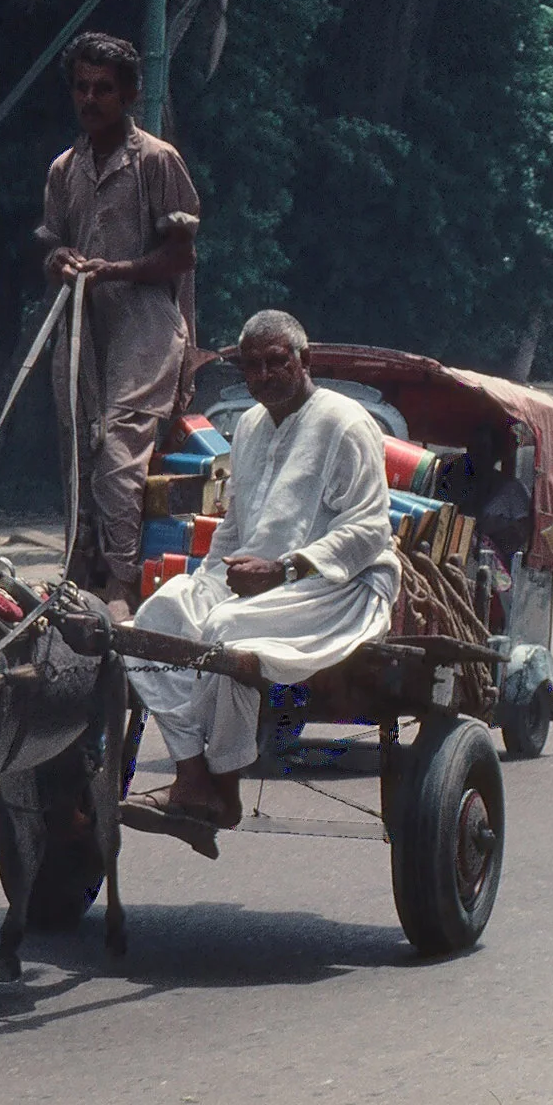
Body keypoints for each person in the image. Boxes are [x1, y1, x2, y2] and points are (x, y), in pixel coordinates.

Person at [121, 311, 401, 833]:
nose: (265, 376)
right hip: (258, 585)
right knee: (150, 624)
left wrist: (283, 570)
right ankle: (191, 773)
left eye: (278, 362)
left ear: (305, 360)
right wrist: (205, 581)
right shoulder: (247, 426)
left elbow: (370, 532)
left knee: (227, 633)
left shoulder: (346, 423)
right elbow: (235, 525)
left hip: (341, 586)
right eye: (253, 367)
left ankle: (224, 788)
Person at [36, 32, 200, 605]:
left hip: (145, 329)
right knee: (77, 453)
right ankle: (78, 577)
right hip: (82, 328)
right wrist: (60, 259)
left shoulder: (156, 160)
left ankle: (123, 585)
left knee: (114, 460)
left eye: (103, 88)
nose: (90, 98)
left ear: (128, 94)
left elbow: (182, 255)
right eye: (81, 87)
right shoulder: (64, 168)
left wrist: (115, 269)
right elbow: (53, 243)